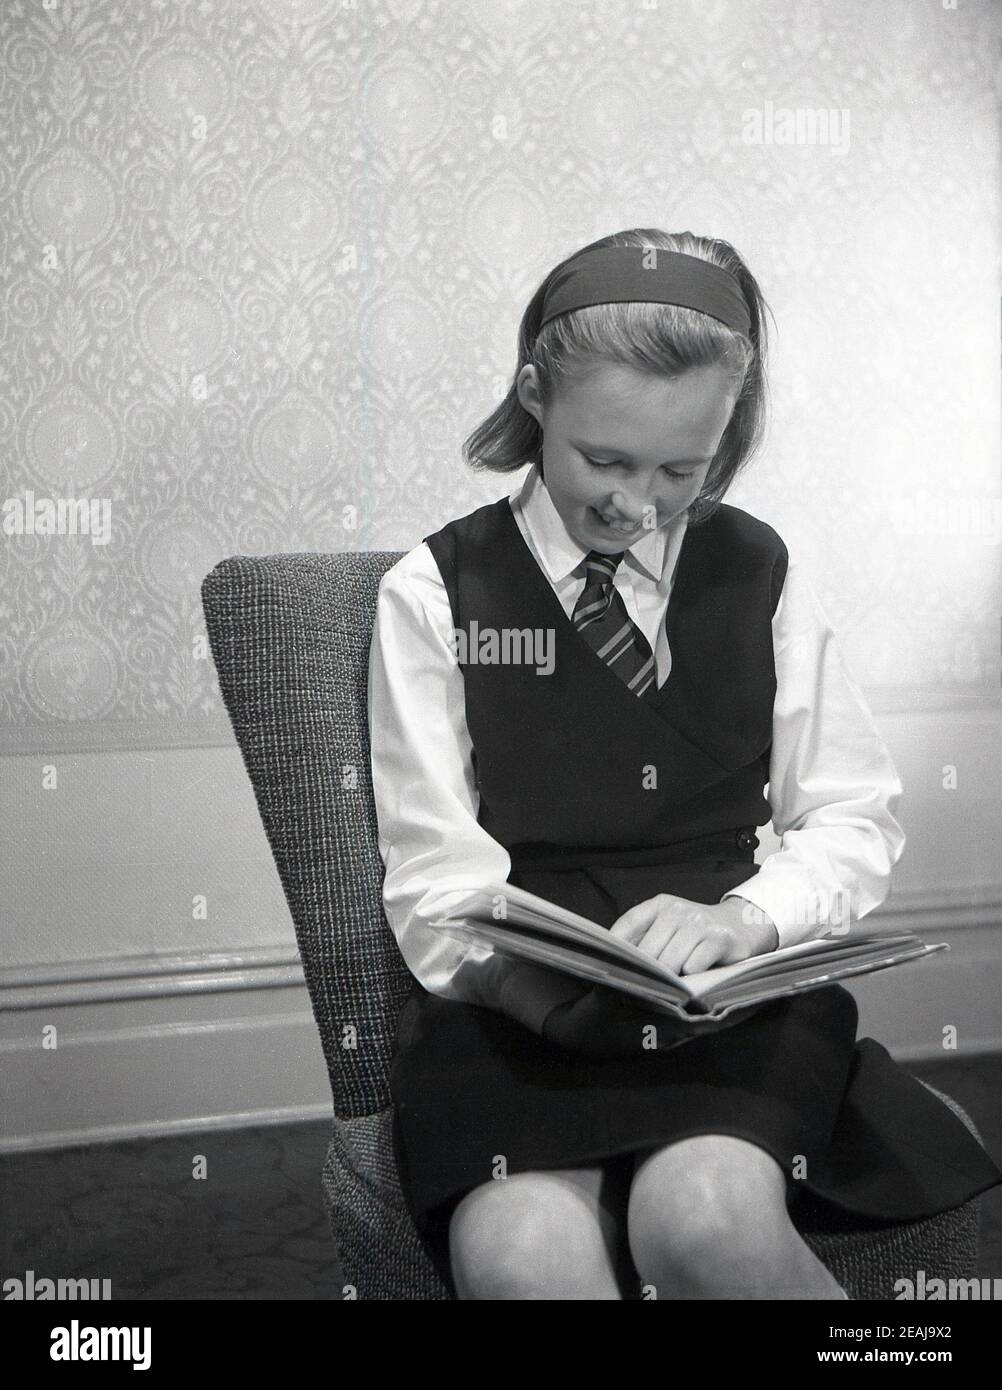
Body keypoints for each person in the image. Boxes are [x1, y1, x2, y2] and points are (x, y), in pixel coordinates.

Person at [366, 228, 1002, 1300]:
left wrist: (747, 919)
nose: (637, 506)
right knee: (525, 1259)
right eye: (603, 461)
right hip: (520, 1011)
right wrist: (533, 985)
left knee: (704, 1220)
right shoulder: (433, 593)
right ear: (533, 398)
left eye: (681, 469)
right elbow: (436, 879)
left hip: (730, 997)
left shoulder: (757, 570)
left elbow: (850, 816)